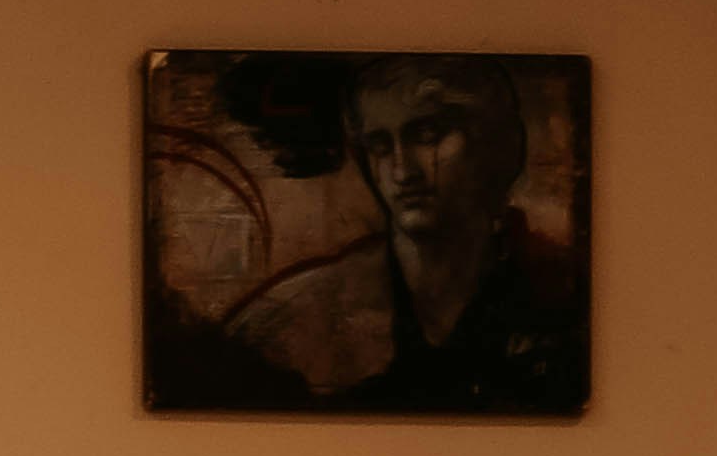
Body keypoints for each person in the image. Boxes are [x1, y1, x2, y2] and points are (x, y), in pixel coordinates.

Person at [160, 56, 582, 413]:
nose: (402, 171)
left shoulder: (566, 298)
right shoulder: (293, 324)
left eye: (427, 136)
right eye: (381, 146)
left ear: (497, 145)